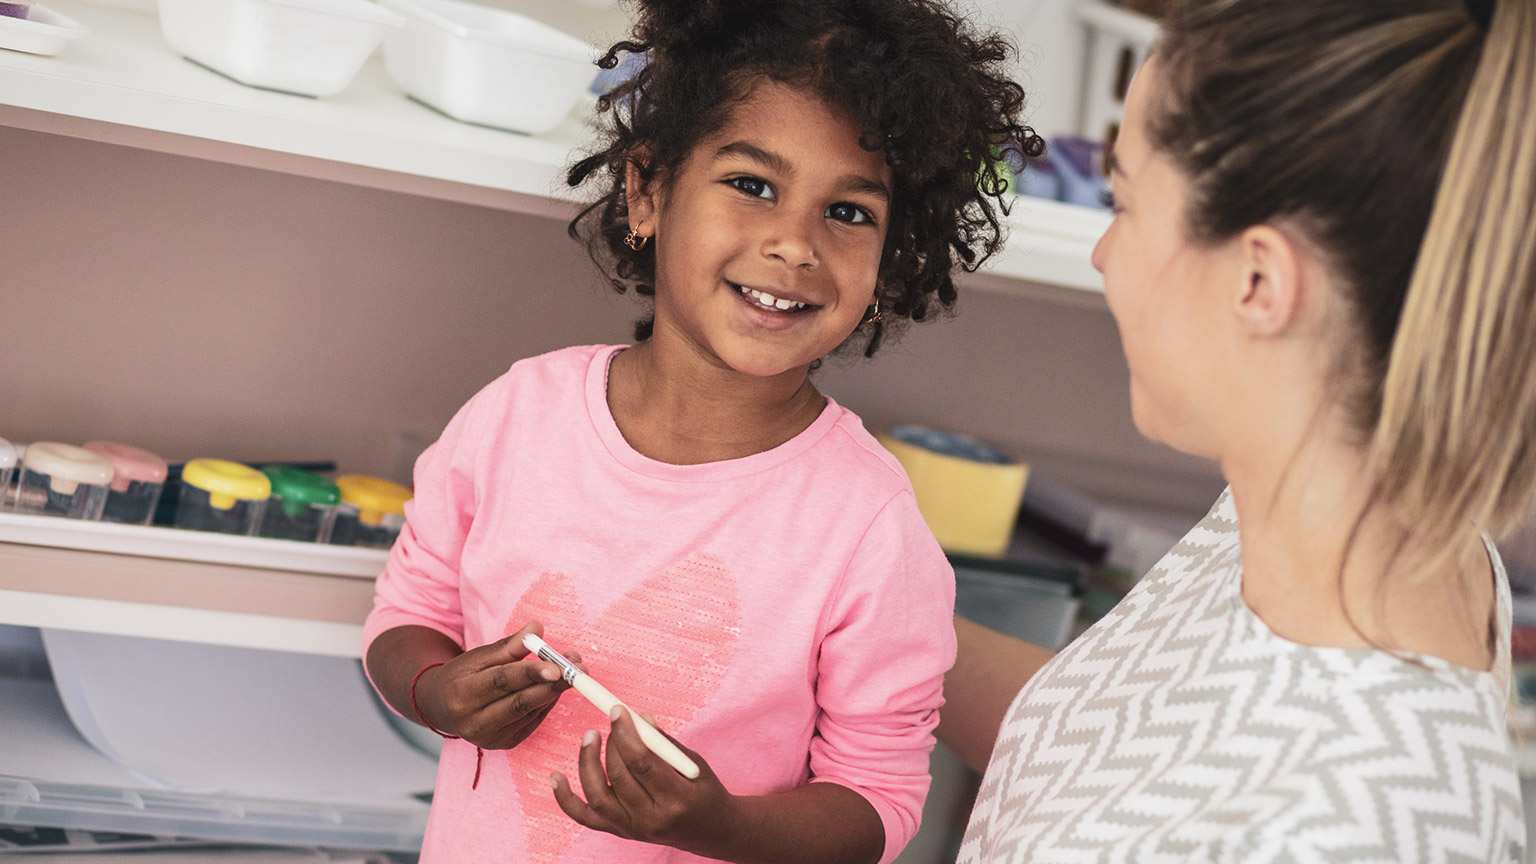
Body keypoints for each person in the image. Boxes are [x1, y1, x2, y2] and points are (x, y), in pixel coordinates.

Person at [361, 1, 1038, 862]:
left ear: (889, 259)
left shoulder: (869, 527)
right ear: (648, 191)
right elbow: (406, 615)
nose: (795, 244)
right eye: (752, 186)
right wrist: (434, 690)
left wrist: (719, 827)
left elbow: (878, 802)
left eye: (850, 213)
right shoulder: (515, 416)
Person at [943, 0, 1536, 860]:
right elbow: (1119, 763)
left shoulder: (1337, 832)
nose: (1105, 256)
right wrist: (853, 608)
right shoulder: (1350, 529)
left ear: (1258, 279)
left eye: (1126, 203)